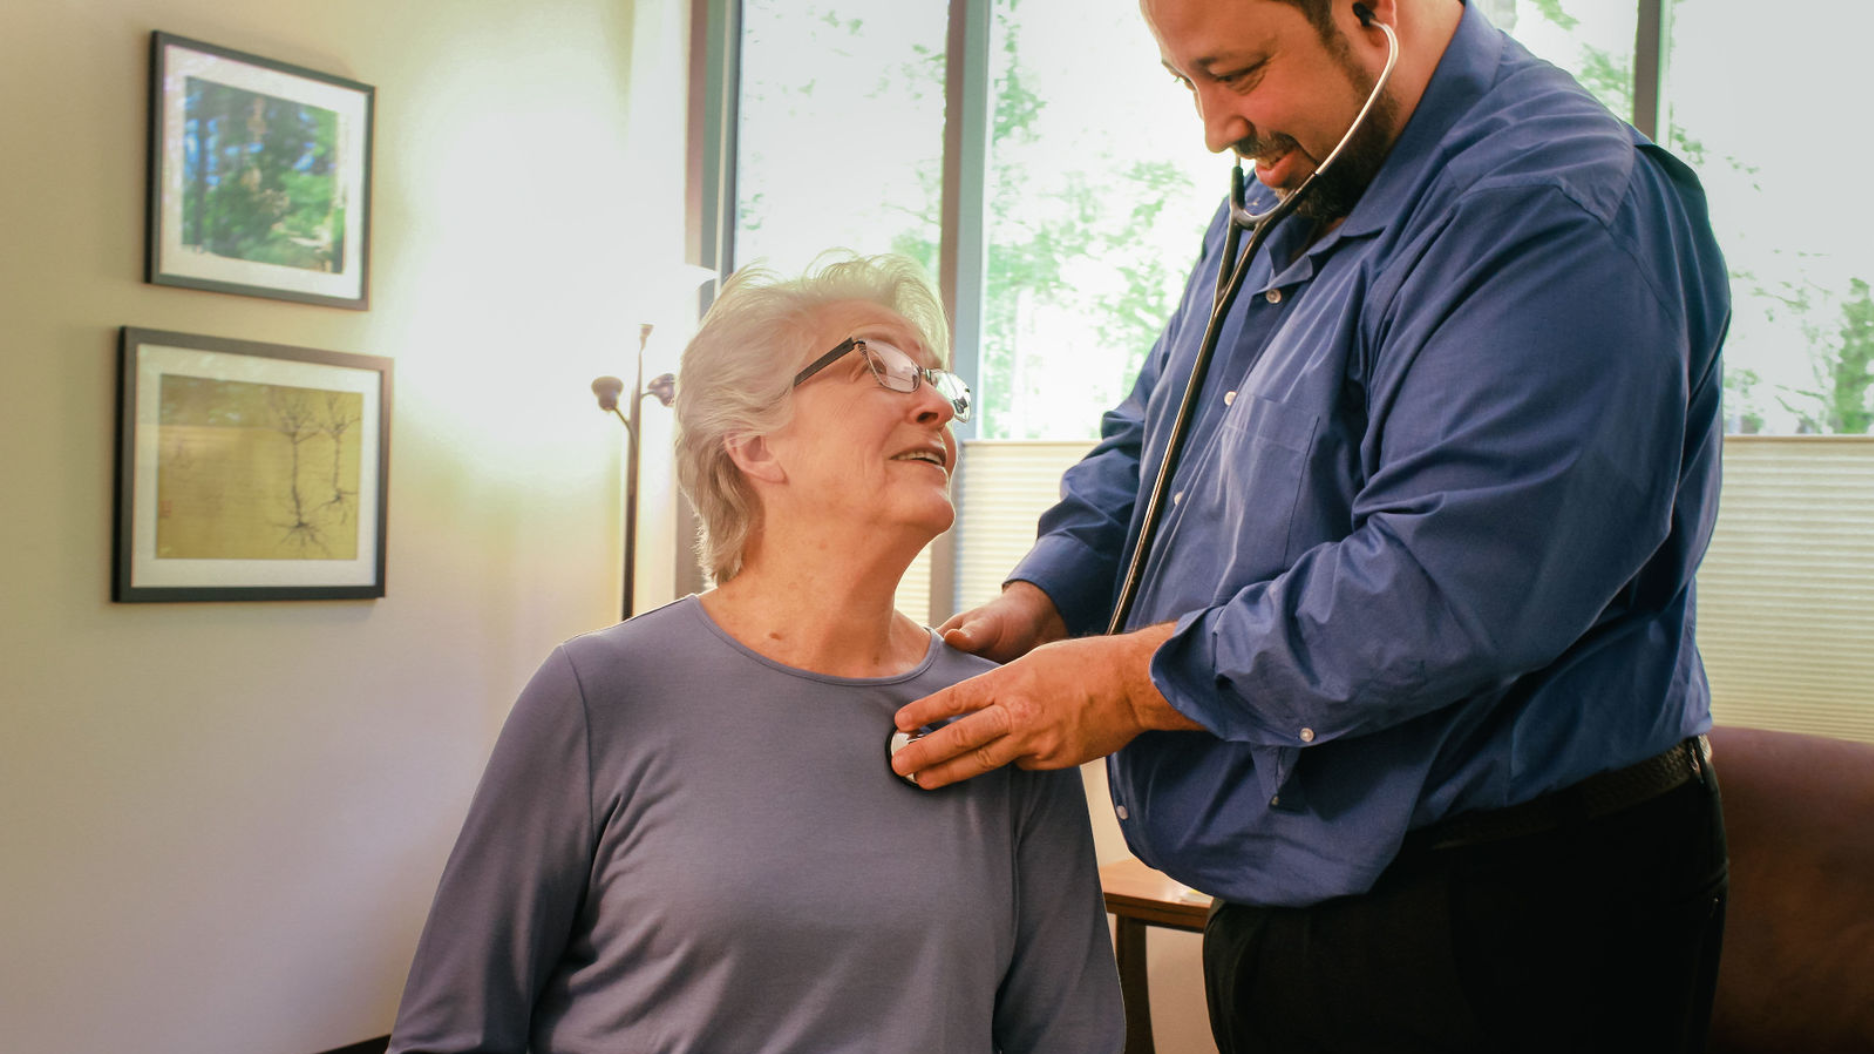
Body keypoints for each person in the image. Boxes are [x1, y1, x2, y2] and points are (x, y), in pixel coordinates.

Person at [890, 0, 1730, 1049]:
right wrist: (1044, 597)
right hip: (1298, 896)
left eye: (1235, 71)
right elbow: (1160, 435)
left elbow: (1445, 589)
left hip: (1504, 912)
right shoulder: (1292, 176)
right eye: (1182, 80)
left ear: (1369, 10)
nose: (1212, 127)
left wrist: (1122, 685)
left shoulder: (1555, 209)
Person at [388, 253, 1123, 1054]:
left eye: (940, 384)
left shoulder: (1000, 717)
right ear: (754, 446)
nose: (936, 409)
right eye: (883, 369)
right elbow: (452, 1028)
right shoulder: (602, 690)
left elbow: (1069, 1034)